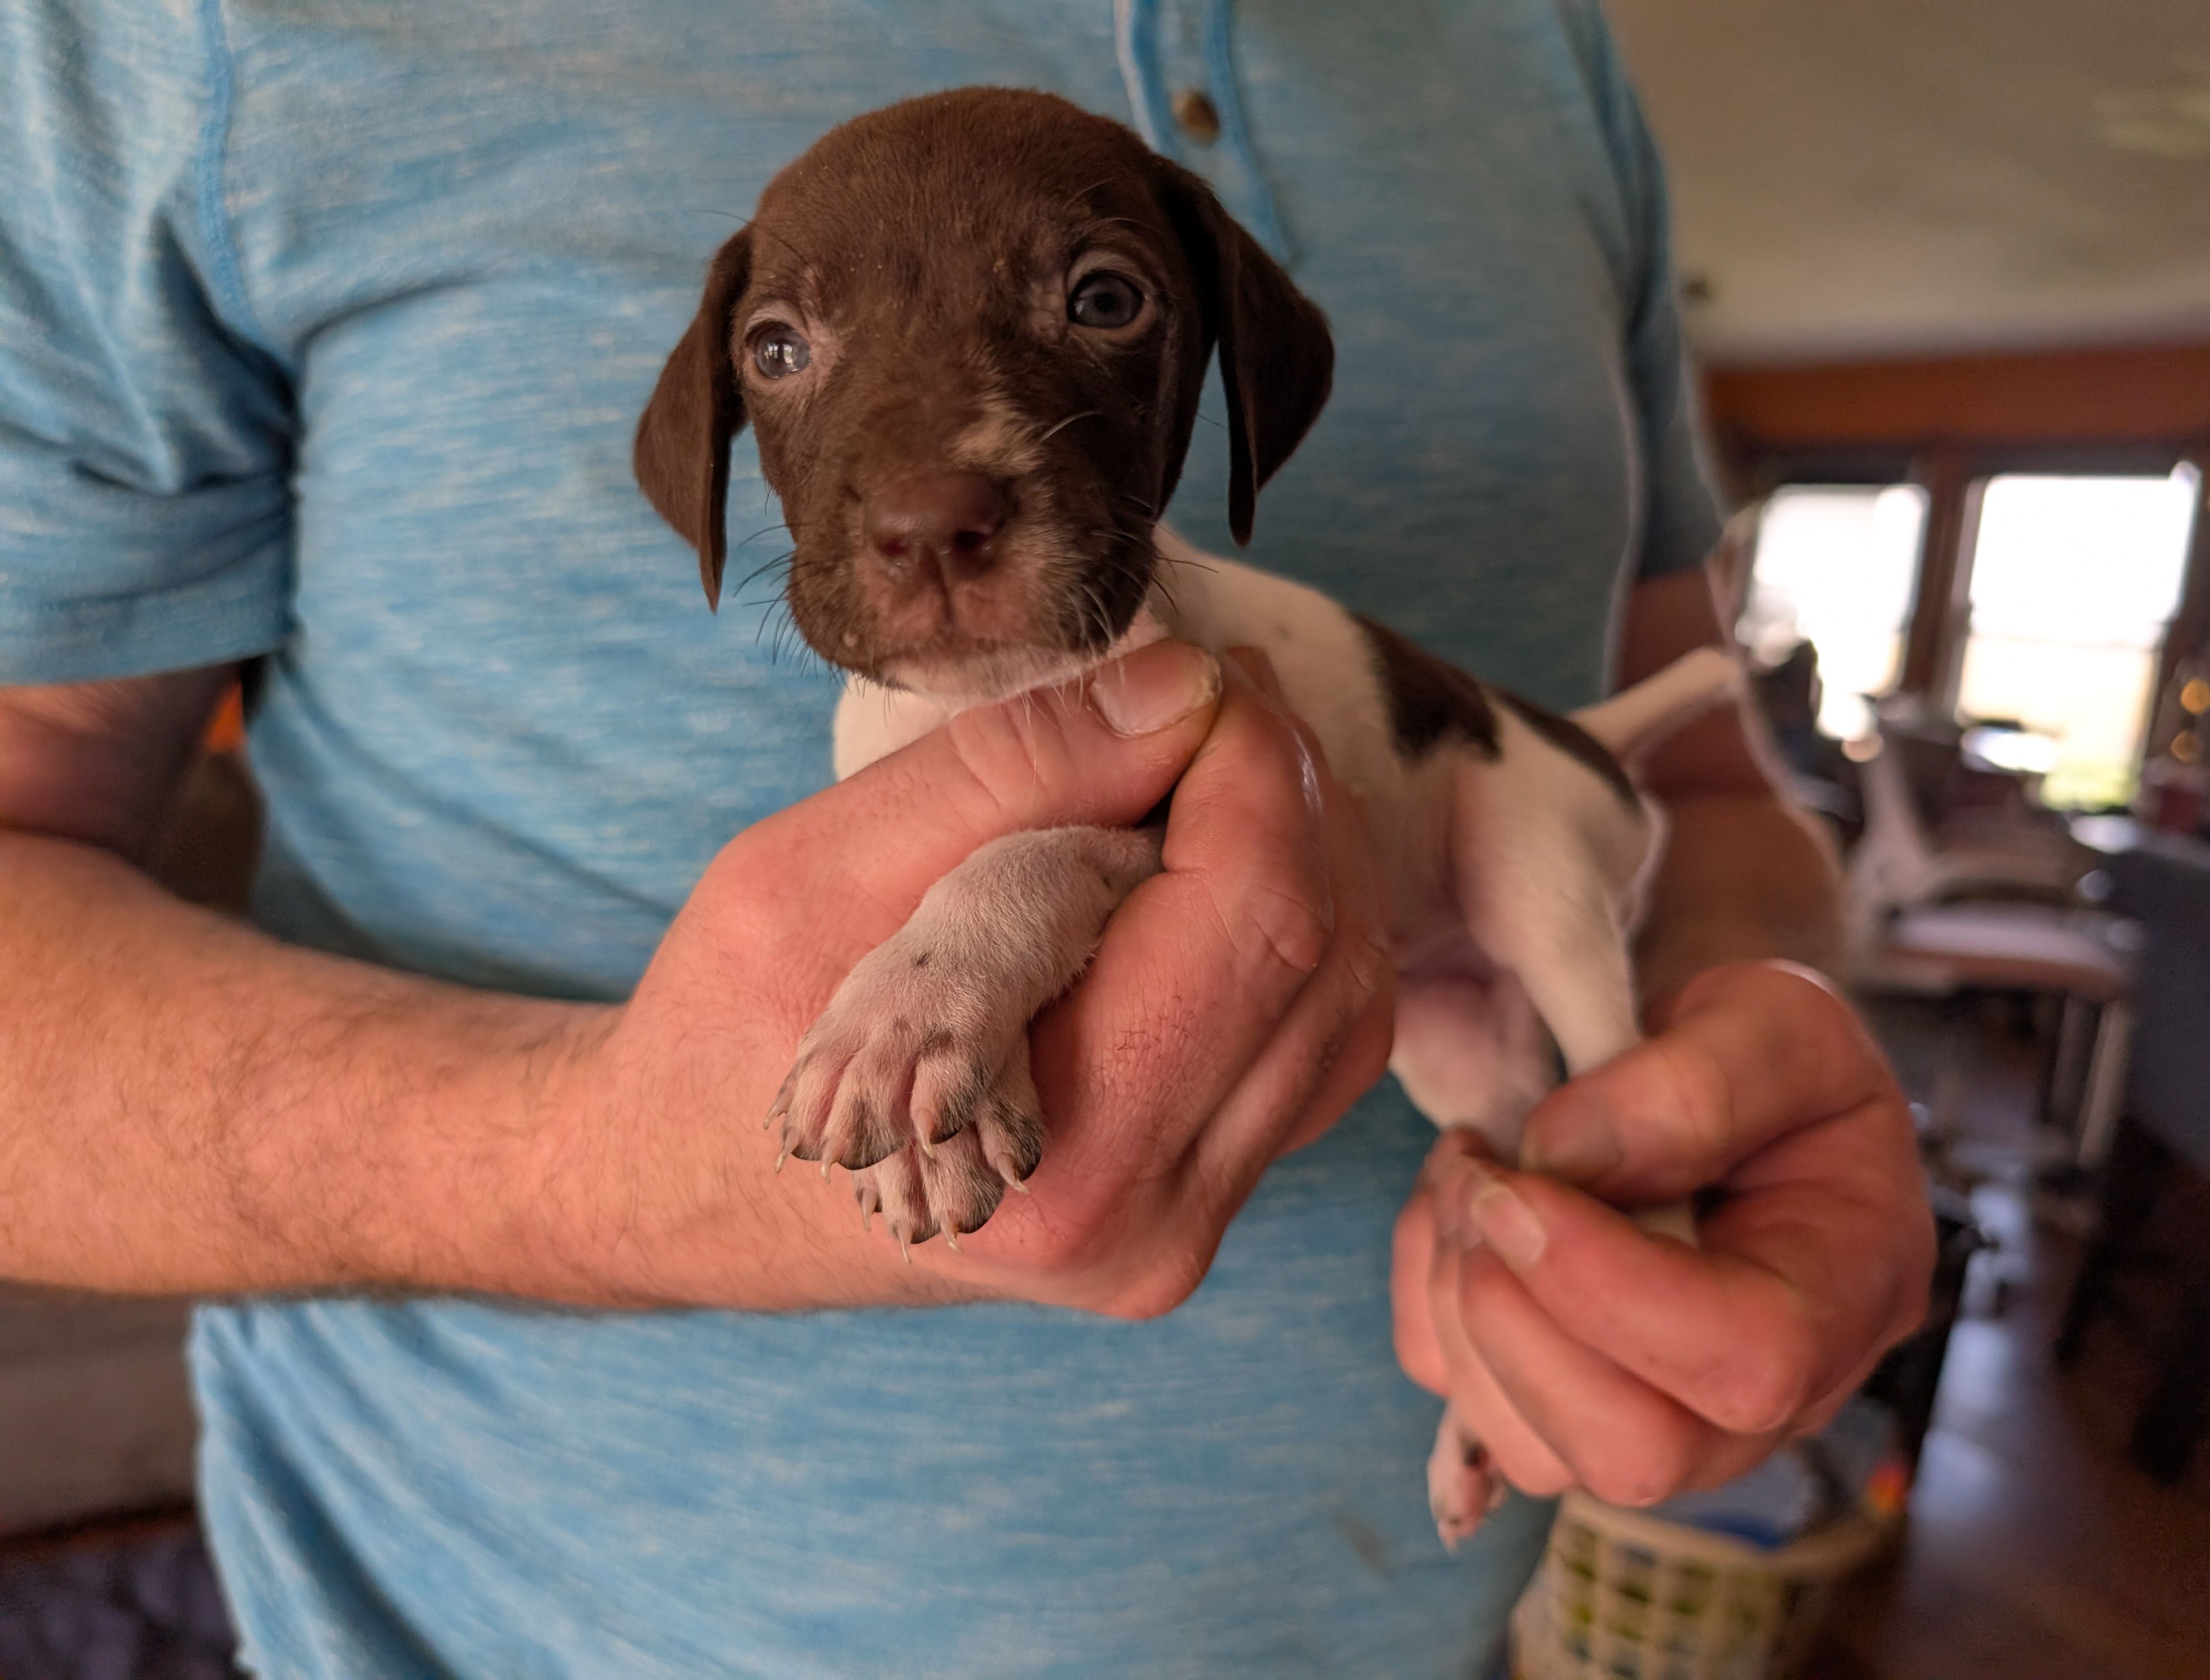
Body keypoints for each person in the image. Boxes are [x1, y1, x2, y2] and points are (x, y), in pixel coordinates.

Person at [0, 0, 1933, 1673]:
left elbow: (1695, 800)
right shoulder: (176, 37)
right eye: (788, 352)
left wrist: (1728, 1103)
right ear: (717, 434)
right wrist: (602, 1164)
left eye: (1101, 302)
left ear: (1224, 372)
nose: (927, 496)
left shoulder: (1544, 43)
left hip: (1431, 1624)